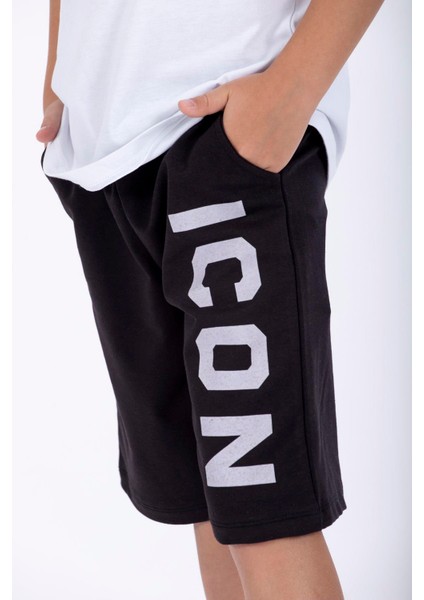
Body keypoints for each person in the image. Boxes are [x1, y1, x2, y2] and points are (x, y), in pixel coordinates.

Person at [36, 1, 384, 598]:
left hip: (223, 119)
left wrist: (290, 90)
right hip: (100, 153)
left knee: (268, 514)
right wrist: (58, 79)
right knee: (213, 498)